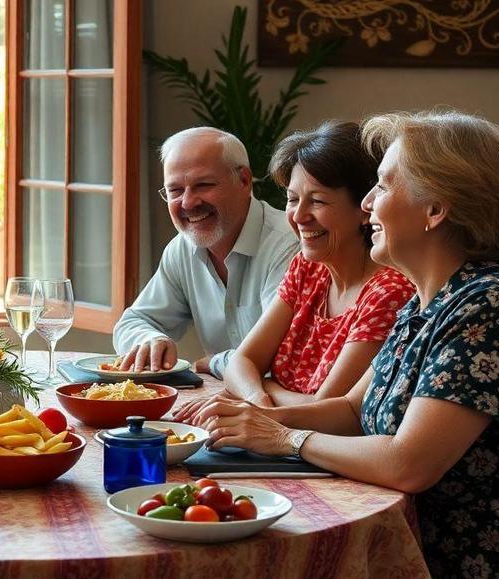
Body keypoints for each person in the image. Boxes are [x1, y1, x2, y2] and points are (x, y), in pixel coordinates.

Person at [198, 110, 499, 577]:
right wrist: (254, 419)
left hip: (473, 563)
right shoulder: (428, 299)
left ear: (436, 210)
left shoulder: (492, 305)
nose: (368, 204)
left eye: (384, 186)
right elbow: (352, 411)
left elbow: (409, 464)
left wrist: (286, 438)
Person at [175, 122, 413, 420]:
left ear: (364, 208)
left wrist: (262, 388)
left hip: (316, 453)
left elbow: (326, 410)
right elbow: (241, 361)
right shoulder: (308, 267)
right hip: (270, 435)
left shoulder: (390, 291)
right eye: (292, 199)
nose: (299, 216)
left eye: (317, 201)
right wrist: (256, 396)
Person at [112, 127, 299, 374]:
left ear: (244, 180)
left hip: (277, 407)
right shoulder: (182, 248)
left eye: (203, 185)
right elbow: (133, 322)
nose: (188, 203)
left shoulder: (289, 244)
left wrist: (213, 362)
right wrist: (148, 339)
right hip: (219, 402)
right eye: (175, 191)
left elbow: (280, 358)